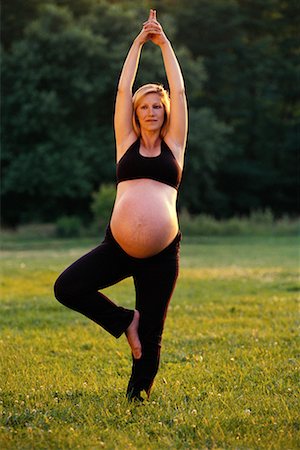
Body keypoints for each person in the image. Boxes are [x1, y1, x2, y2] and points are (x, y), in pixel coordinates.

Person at [54, 9, 188, 402]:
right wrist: (136, 43)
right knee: (68, 287)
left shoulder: (175, 146)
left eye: (156, 106)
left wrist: (163, 44)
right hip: (118, 247)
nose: (151, 111)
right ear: (135, 112)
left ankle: (136, 399)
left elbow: (179, 92)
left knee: (152, 337)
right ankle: (123, 319)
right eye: (144, 106)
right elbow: (120, 89)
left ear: (164, 113)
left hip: (162, 255)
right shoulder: (125, 143)